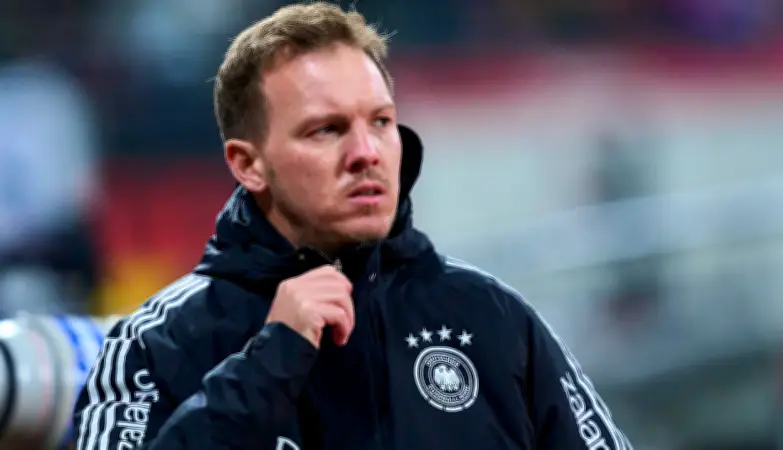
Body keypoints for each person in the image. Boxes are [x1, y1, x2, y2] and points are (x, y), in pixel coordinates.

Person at [72, 3, 632, 449]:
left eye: (381, 122)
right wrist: (268, 364)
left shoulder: (493, 318)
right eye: (326, 130)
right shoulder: (161, 341)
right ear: (247, 164)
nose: (367, 152)